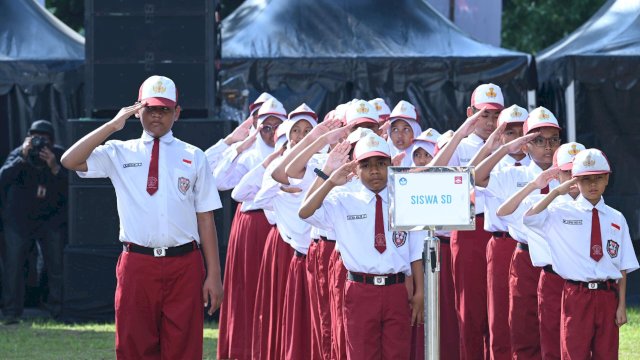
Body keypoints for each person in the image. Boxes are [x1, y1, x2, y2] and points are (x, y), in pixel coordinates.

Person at [60, 75, 223, 359]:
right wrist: (113, 125)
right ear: (138, 111)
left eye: (164, 109)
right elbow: (69, 161)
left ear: (177, 112)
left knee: (184, 347)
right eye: (150, 108)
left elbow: (206, 219)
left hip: (185, 264)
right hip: (137, 263)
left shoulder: (194, 156)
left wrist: (215, 276)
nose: (157, 115)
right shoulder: (119, 151)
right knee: (134, 345)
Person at [300, 132, 424, 360]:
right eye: (365, 165)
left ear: (391, 166)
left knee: (398, 353)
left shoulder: (404, 198)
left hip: (396, 288)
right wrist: (329, 182)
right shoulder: (343, 200)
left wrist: (420, 291)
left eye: (381, 164)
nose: (374, 171)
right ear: (355, 170)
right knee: (361, 353)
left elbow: (415, 248)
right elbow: (305, 212)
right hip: (360, 289)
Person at [523, 148, 639, 359]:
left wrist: (621, 305)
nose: (592, 185)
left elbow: (622, 265)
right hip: (576, 295)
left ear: (607, 180)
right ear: (575, 181)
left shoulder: (616, 218)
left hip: (607, 295)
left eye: (598, 178)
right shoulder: (561, 213)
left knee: (607, 354)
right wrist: (556, 192)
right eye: (585, 180)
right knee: (574, 352)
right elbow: (529, 219)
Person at [474, 106, 562, 359]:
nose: (547, 147)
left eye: (553, 140)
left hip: (558, 259)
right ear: (525, 145)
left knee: (557, 329)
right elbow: (476, 178)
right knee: (522, 329)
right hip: (524, 257)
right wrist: (504, 148)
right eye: (538, 140)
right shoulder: (514, 174)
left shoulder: (566, 174)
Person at [430, 83, 505, 359]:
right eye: (483, 114)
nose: (489, 122)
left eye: (495, 115)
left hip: (499, 232)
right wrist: (462, 132)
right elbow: (432, 172)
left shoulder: (509, 144)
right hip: (470, 229)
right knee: (470, 312)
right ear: (469, 112)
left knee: (499, 313)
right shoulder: (459, 144)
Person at [496, 142, 585, 360]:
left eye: (578, 173)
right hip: (552, 278)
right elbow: (503, 213)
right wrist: (536, 185)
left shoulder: (594, 207)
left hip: (581, 284)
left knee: (580, 344)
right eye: (567, 173)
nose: (573, 179)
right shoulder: (542, 203)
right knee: (549, 343)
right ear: (555, 174)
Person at [0, 120, 67, 325]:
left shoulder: (58, 154)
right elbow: (3, 177)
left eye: (44, 139)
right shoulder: (19, 153)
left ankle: (58, 312)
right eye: (36, 138)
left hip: (50, 220)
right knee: (14, 267)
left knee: (56, 266)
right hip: (19, 220)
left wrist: (54, 166)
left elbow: (71, 185)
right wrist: (22, 155)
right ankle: (11, 313)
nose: (40, 144)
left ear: (52, 141)